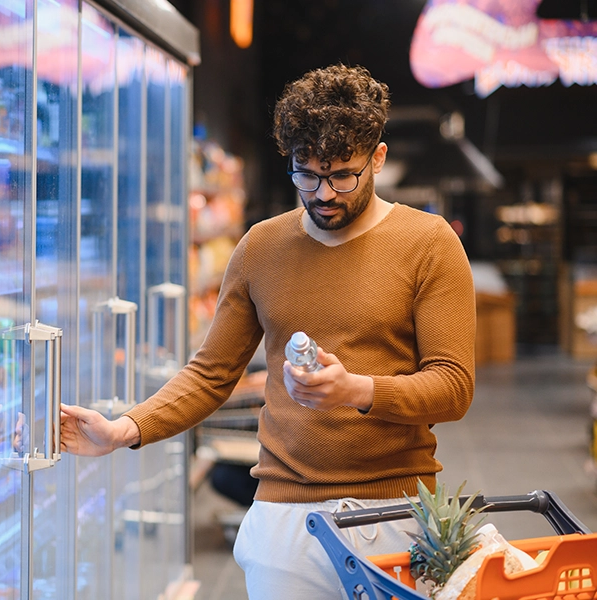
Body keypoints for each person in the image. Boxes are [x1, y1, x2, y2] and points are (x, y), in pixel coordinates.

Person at [60, 64, 476, 599]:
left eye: (343, 174)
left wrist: (359, 390)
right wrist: (125, 429)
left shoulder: (429, 243)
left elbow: (454, 385)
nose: (324, 193)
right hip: (283, 517)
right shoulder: (261, 247)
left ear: (378, 158)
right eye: (307, 173)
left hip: (392, 516)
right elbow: (211, 373)